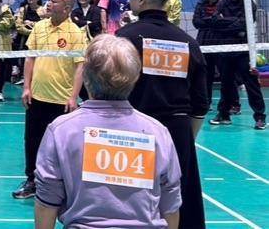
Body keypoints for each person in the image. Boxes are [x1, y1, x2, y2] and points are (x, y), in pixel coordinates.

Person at [34, 34, 182, 229]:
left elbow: (47, 201)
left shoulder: (61, 130)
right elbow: (170, 204)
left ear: (85, 76)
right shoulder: (157, 132)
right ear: (136, 77)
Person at [117, 0, 207, 229]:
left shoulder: (125, 38)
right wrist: (184, 137)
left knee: (130, 200)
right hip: (177, 130)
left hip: (132, 130)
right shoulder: (188, 42)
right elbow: (200, 104)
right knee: (179, 201)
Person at [11, 0, 87, 200]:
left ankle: (65, 185)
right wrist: (26, 87)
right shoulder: (40, 26)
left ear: (66, 8)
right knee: (32, 141)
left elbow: (80, 66)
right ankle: (32, 181)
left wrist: (73, 97)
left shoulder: (75, 33)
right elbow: (30, 58)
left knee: (63, 146)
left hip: (62, 101)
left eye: (53, 1)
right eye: (49, 0)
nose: (48, 3)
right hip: (37, 97)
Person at [208, 0, 266, 130]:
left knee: (251, 84)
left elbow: (244, 24)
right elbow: (215, 22)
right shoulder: (223, 2)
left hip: (243, 50)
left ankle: (260, 117)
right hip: (226, 48)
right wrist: (232, 23)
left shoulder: (249, 4)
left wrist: (225, 22)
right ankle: (224, 115)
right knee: (226, 84)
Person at [191, 0, 222, 103]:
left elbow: (224, 23)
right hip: (204, 43)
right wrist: (213, 20)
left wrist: (208, 20)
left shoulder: (224, 3)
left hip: (221, 43)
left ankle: (231, 104)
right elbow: (196, 22)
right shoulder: (201, 3)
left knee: (226, 75)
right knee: (206, 74)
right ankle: (206, 102)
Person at [13, 0, 44, 86]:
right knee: (24, 58)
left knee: (38, 58)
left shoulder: (43, 10)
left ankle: (36, 77)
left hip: (39, 39)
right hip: (24, 39)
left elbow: (44, 25)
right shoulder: (23, 9)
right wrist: (31, 32)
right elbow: (19, 26)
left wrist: (31, 23)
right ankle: (24, 77)